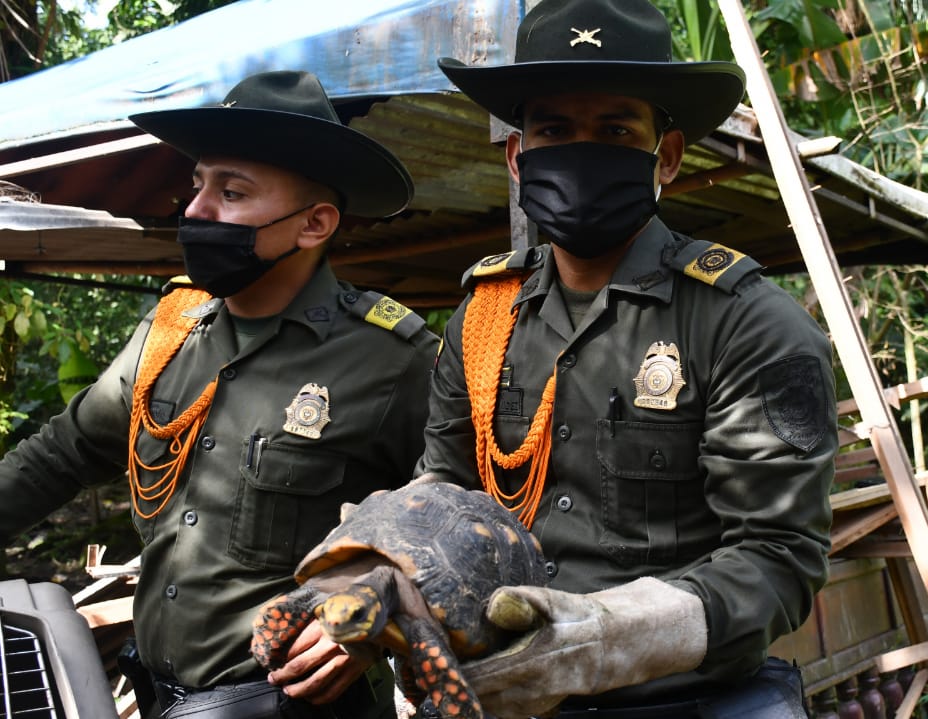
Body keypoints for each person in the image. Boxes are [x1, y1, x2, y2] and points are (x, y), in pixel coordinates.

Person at [419, 1, 838, 716]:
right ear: (520, 156)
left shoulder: (745, 321)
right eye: (553, 129)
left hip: (686, 692)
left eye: (615, 129)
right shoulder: (484, 319)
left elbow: (777, 556)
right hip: (509, 689)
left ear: (664, 156)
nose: (581, 149)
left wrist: (608, 639)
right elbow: (444, 505)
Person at [0, 70, 436, 718]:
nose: (197, 211)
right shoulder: (172, 332)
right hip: (159, 699)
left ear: (314, 222)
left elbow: (466, 512)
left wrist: (385, 600)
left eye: (231, 192)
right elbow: (63, 453)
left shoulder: (392, 359)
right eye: (197, 185)